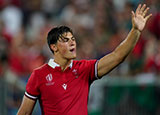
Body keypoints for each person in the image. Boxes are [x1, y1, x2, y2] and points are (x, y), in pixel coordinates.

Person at [17, 4, 152, 115]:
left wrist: (135, 31)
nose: (72, 43)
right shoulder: (39, 75)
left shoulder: (83, 69)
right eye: (66, 40)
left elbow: (117, 56)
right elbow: (24, 113)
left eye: (73, 40)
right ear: (54, 47)